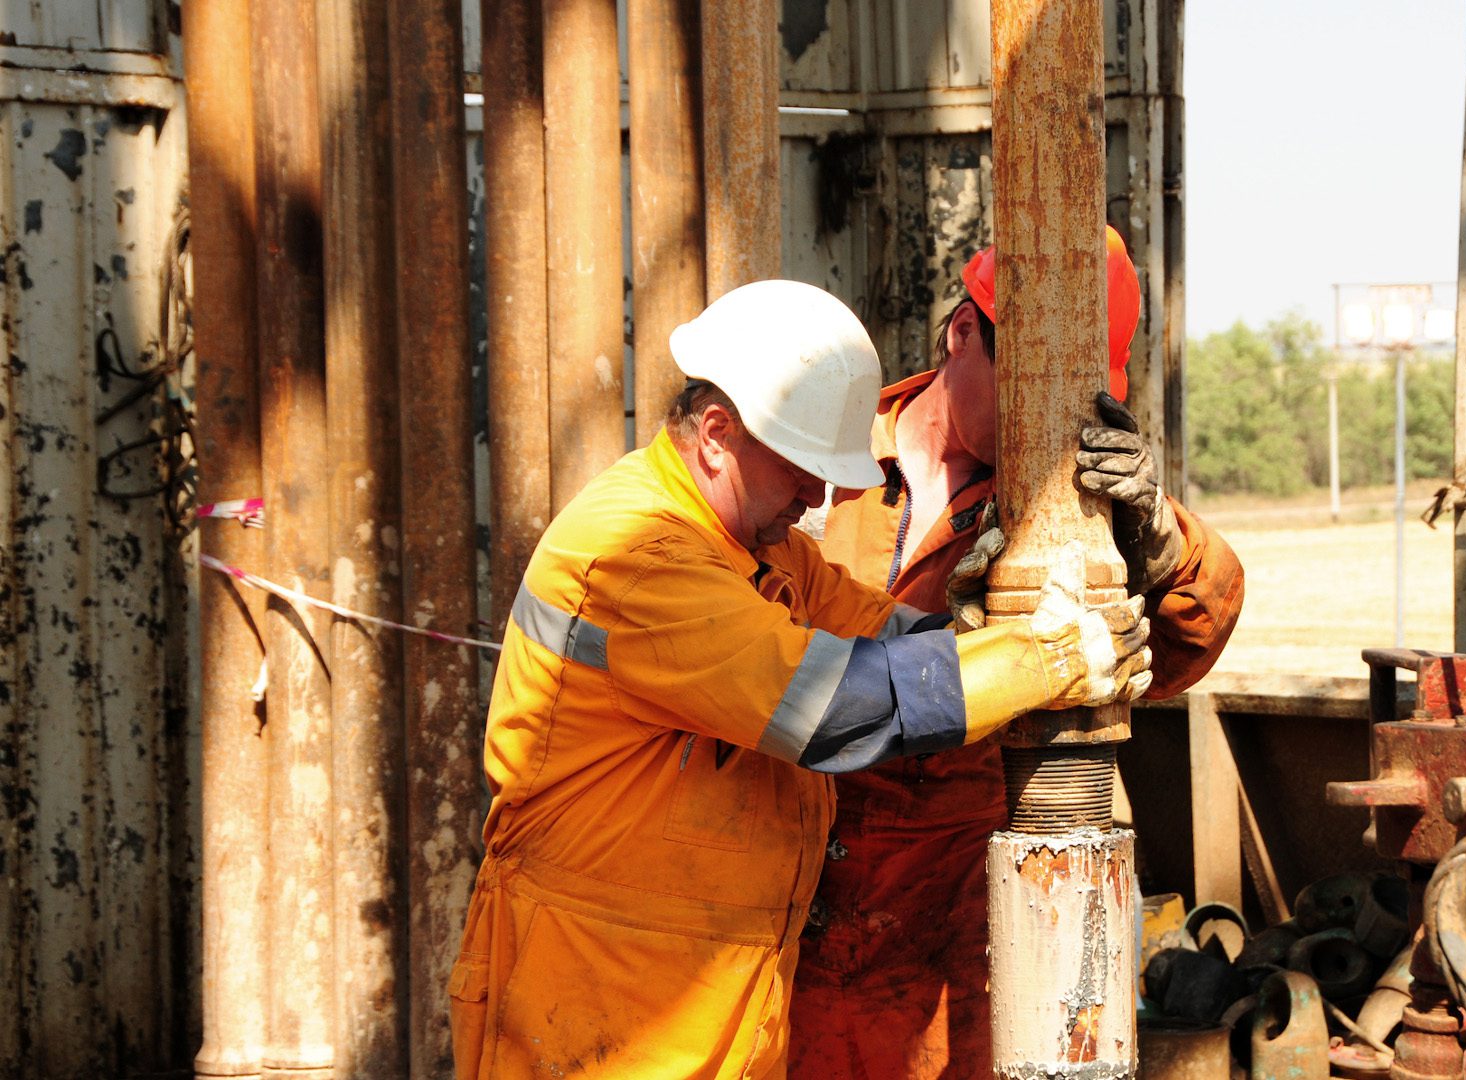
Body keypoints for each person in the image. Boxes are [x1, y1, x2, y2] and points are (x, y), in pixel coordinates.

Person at [447, 279, 1155, 1080]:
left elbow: (882, 635)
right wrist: (1049, 660)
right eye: (803, 469)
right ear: (717, 434)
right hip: (592, 1001)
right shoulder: (637, 554)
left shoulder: (760, 550)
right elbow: (827, 707)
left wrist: (990, 629)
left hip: (705, 1000)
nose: (821, 497)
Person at [792, 227, 1247, 1079]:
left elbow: (1194, 634)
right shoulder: (824, 464)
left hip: (967, 907)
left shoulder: (1067, 499)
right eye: (1030, 388)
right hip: (801, 883)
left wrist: (1162, 540)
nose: (1047, 422)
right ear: (963, 334)